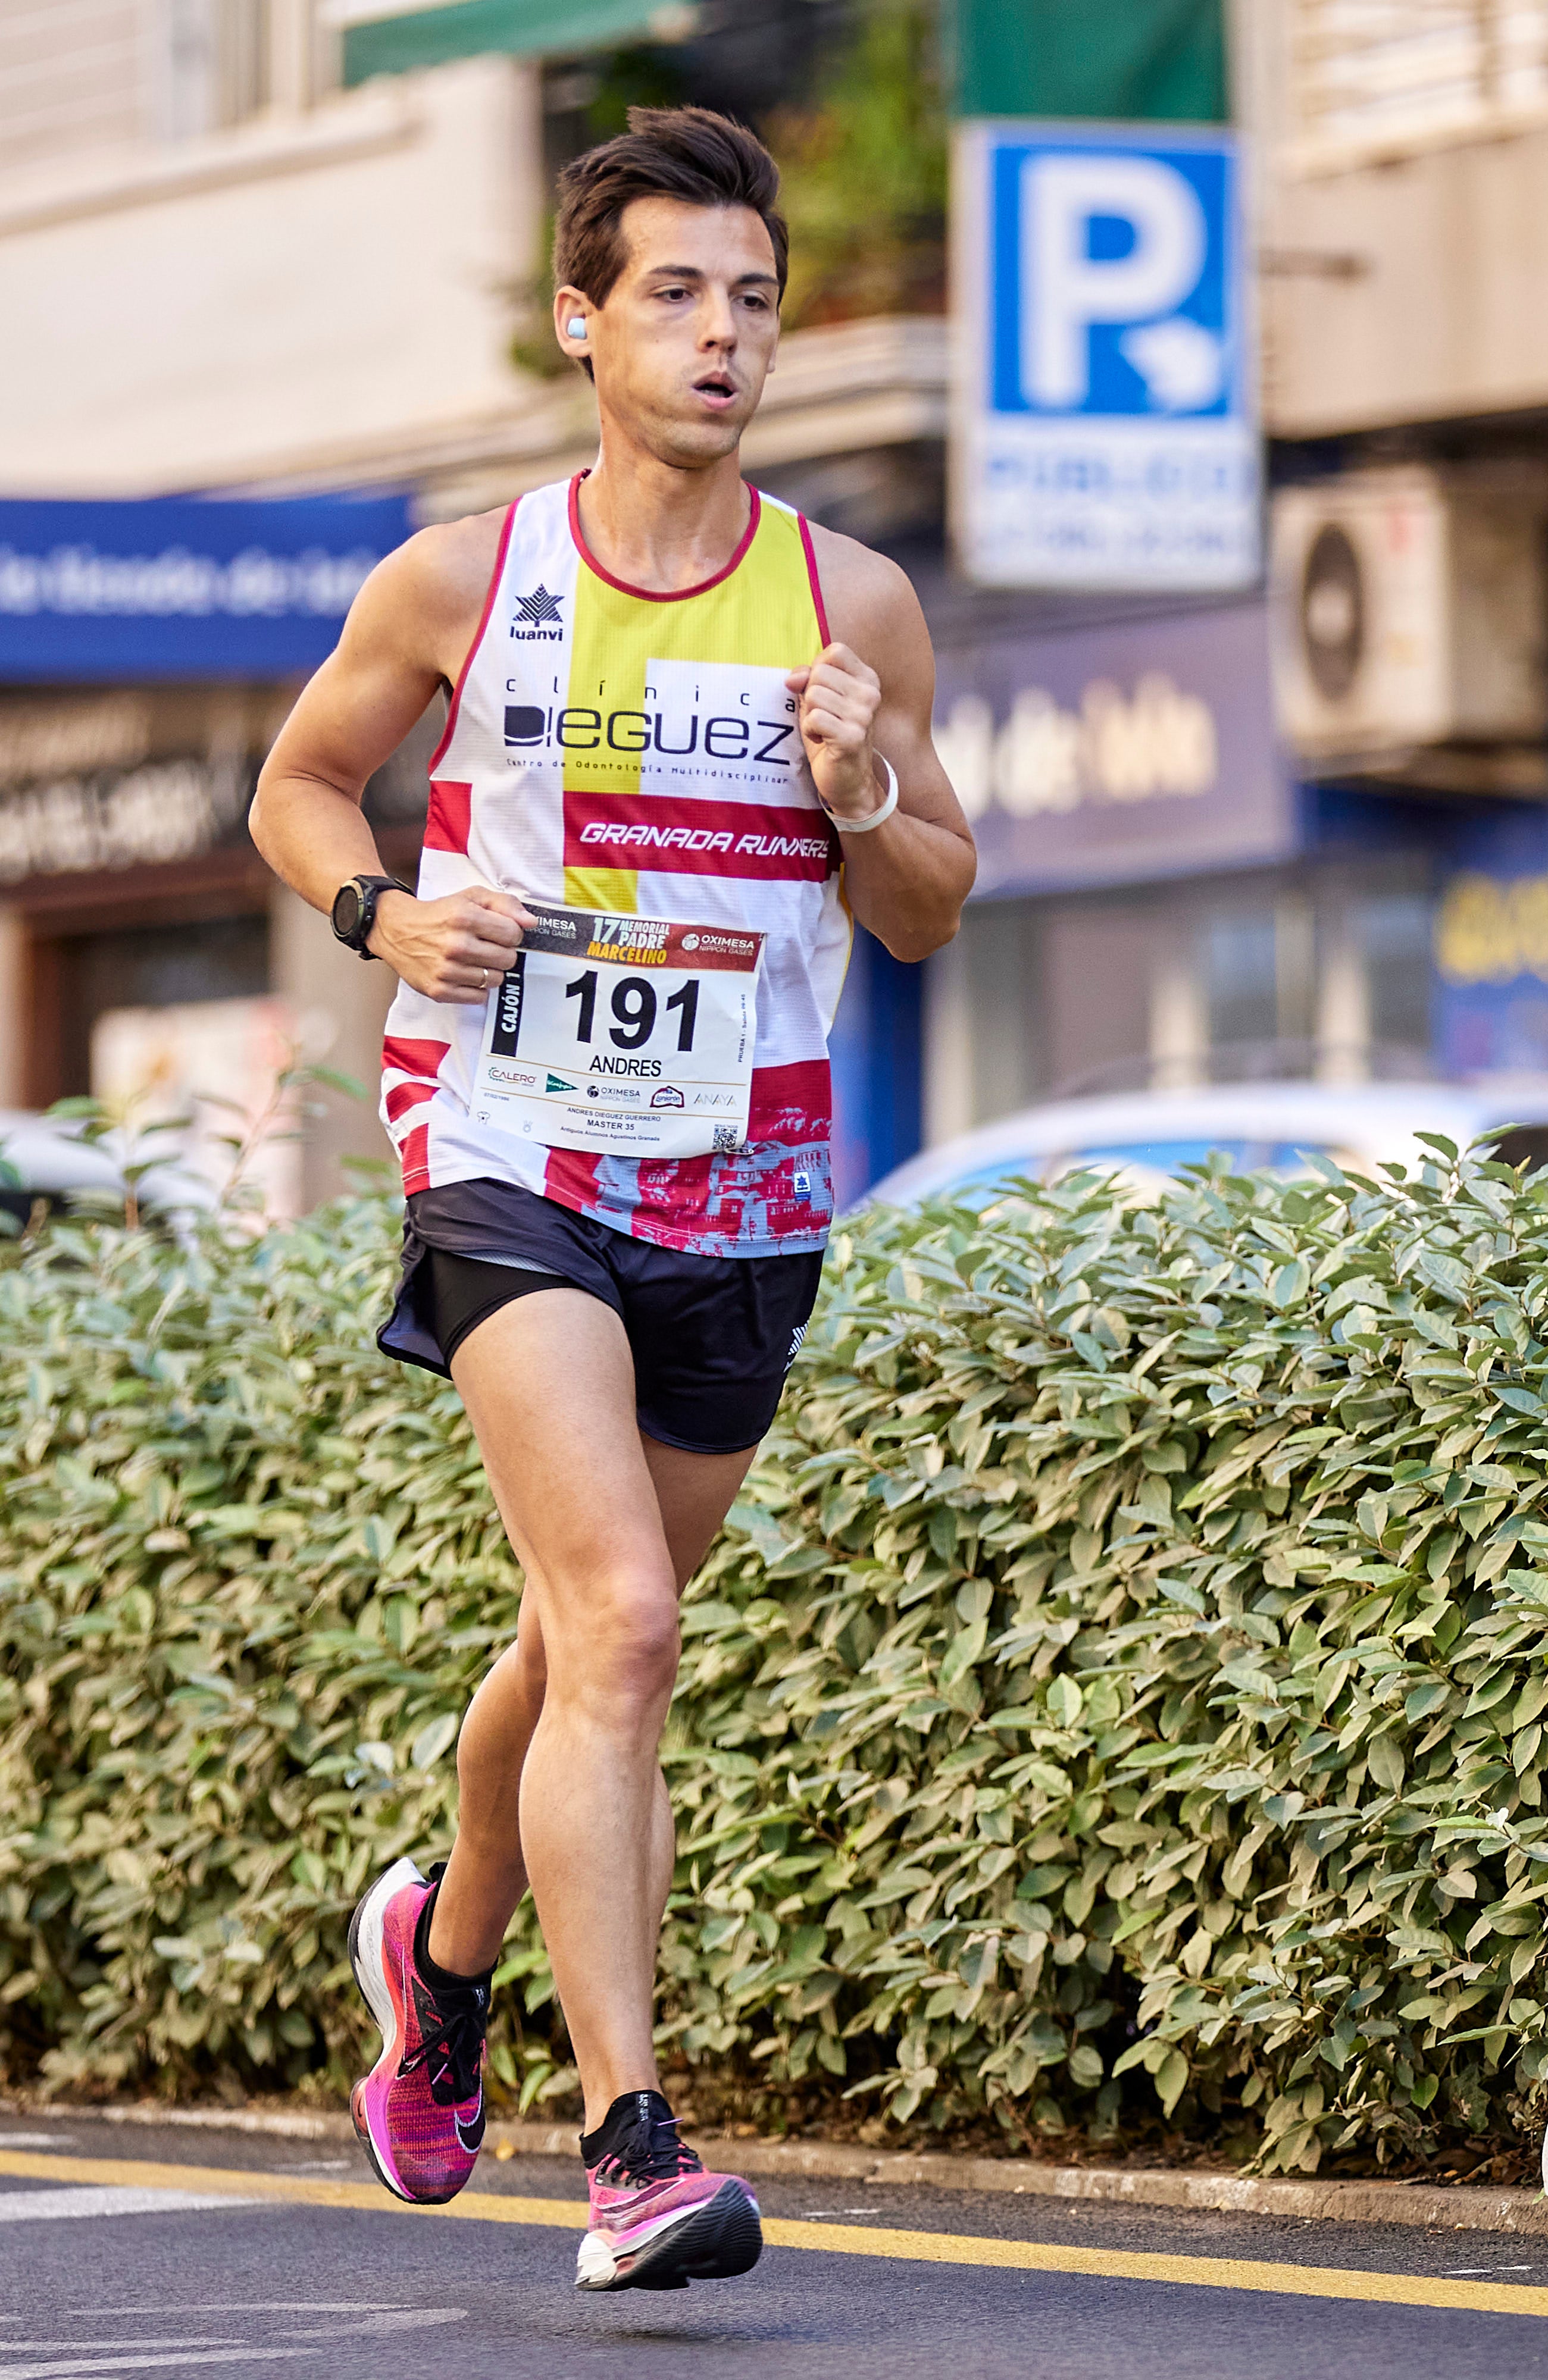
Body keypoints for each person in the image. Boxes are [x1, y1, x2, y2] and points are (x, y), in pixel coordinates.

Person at [249, 104, 974, 2294]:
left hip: (746, 1182)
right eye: (673, 293)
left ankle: (437, 1955)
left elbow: (930, 907)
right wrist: (383, 913)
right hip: (508, 1148)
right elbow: (298, 786)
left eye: (752, 299)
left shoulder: (852, 601)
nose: (720, 334)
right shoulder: (466, 578)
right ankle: (632, 2150)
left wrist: (860, 789)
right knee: (628, 1628)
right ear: (582, 322)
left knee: (583, 1637)